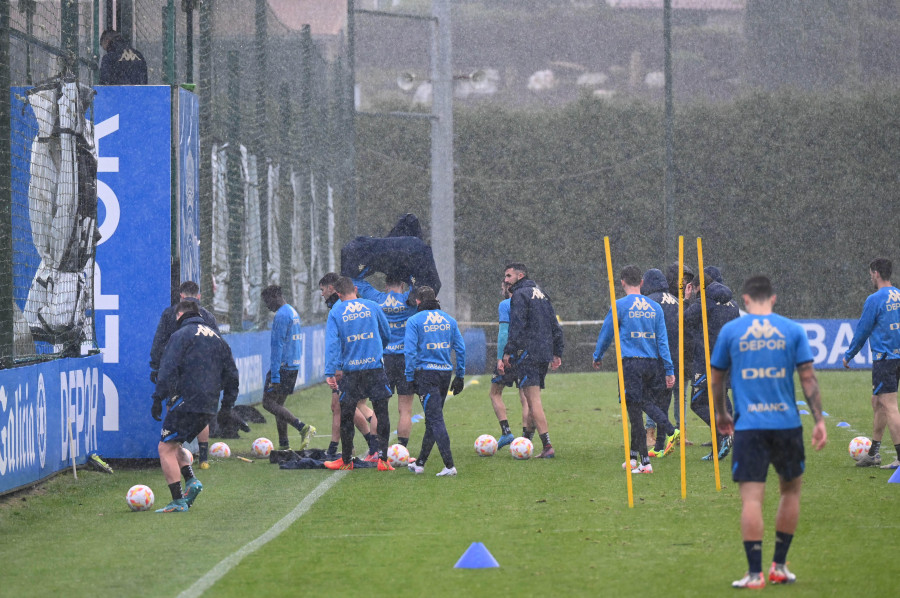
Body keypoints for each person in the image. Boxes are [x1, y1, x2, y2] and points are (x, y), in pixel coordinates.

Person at [710, 275, 827, 588]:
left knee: (752, 500)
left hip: (749, 426)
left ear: (745, 300)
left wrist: (722, 414)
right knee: (790, 492)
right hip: (787, 425)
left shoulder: (732, 330)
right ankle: (778, 566)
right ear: (773, 299)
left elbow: (717, 379)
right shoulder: (792, 330)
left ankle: (754, 573)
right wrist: (819, 420)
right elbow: (808, 379)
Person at [152, 301, 239, 513]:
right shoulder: (218, 338)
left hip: (187, 400)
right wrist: (226, 406)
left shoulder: (181, 335)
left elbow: (167, 367)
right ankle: (191, 481)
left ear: (180, 314)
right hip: (209, 404)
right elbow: (232, 375)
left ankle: (178, 501)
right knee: (175, 443)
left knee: (165, 448)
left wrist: (158, 398)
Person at [593, 265, 678, 474]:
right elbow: (662, 341)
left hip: (631, 363)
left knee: (634, 413)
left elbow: (606, 333)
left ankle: (646, 463)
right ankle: (632, 458)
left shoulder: (620, 305)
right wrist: (669, 369)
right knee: (642, 405)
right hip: (652, 364)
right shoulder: (654, 307)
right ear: (641, 283)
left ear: (622, 282)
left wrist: (598, 355)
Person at [323, 277, 393, 471]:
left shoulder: (336, 311)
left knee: (346, 414)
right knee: (382, 411)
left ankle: (346, 461)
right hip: (374, 369)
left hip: (352, 372)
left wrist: (330, 371)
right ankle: (383, 460)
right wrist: (377, 350)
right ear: (355, 289)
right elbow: (386, 334)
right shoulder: (372, 306)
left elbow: (332, 344)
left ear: (338, 294)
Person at [149, 281, 220, 468]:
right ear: (199, 296)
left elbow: (159, 343)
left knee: (172, 408)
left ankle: (173, 453)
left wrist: (156, 366)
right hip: (201, 373)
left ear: (180, 295)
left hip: (176, 373)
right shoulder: (207, 316)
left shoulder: (169, 314)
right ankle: (203, 458)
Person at [501, 263, 564, 459]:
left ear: (521, 275)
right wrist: (556, 352)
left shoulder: (520, 295)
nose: (506, 280)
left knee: (533, 400)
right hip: (543, 353)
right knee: (530, 398)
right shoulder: (542, 294)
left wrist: (509, 351)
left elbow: (517, 325)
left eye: (509, 276)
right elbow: (555, 326)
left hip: (528, 353)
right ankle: (525, 440)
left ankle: (547, 445)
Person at [843, 258, 900, 469]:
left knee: (889, 406)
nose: (870, 277)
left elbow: (863, 330)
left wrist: (849, 355)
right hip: (897, 357)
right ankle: (874, 453)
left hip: (885, 359)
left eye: (870, 274)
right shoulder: (898, 294)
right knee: (877, 402)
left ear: (875, 273)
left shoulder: (875, 299)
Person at [404, 286, 466, 476]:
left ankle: (449, 466)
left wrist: (409, 376)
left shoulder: (414, 320)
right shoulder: (449, 320)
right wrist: (460, 375)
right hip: (445, 374)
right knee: (432, 419)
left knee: (435, 419)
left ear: (418, 302)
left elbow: (410, 351)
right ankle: (420, 463)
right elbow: (461, 349)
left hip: (426, 375)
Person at [353, 272, 417, 452]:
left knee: (379, 407)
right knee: (405, 409)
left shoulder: (376, 298)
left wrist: (370, 269)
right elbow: (422, 282)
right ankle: (401, 450)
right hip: (406, 359)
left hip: (383, 359)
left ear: (386, 285)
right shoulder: (409, 298)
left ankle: (376, 450)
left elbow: (356, 283)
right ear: (402, 286)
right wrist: (409, 271)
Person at [684, 266, 740, 460]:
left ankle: (726, 433)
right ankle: (721, 444)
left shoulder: (706, 302)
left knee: (697, 402)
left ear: (699, 286)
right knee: (720, 400)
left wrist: (686, 300)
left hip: (708, 360)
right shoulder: (732, 303)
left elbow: (684, 320)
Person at [260, 285, 315, 452]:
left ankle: (303, 427)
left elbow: (277, 346)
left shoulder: (282, 315)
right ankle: (284, 446)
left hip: (282, 367)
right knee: (279, 406)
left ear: (276, 296)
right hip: (292, 366)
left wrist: (275, 376)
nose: (267, 305)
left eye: (267, 301)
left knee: (268, 403)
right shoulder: (292, 311)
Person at [640, 268, 681, 458]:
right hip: (676, 358)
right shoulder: (677, 302)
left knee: (644, 398)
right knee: (664, 401)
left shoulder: (650, 302)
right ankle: (660, 445)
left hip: (656, 358)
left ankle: (670, 430)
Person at [489, 281, 531, 447]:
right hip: (527, 354)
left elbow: (503, 333)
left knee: (495, 393)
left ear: (508, 288)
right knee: (526, 397)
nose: (501, 289)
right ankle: (525, 438)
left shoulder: (505, 304)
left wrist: (501, 357)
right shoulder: (529, 303)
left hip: (510, 355)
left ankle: (506, 432)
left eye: (503, 286)